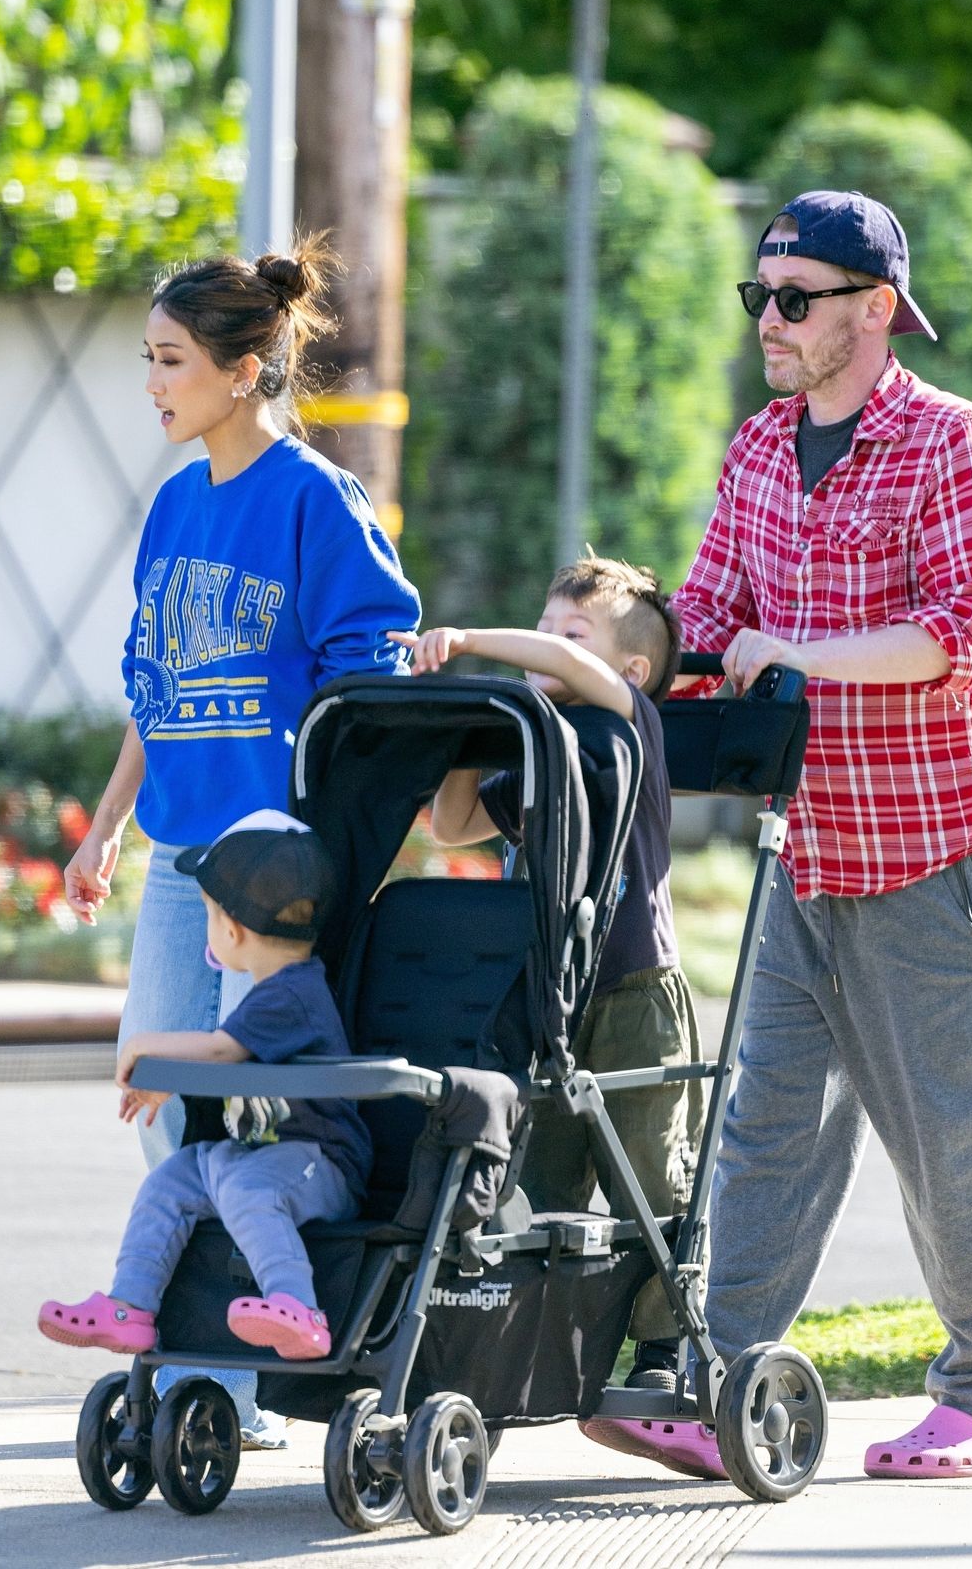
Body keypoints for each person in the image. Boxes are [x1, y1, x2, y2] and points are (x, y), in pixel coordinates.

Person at [606, 188, 972, 1483]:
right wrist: (588, 659)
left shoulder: (949, 443)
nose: (769, 321)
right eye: (759, 297)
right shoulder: (755, 448)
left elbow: (959, 635)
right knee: (766, 1127)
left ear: (875, 310)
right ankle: (718, 1377)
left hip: (933, 850)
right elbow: (704, 618)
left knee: (947, 1140)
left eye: (793, 299)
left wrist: (799, 652)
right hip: (808, 852)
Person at [62, 236, 418, 1444]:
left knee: (247, 1109)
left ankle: (238, 1368)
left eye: (169, 360)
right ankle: (213, 1341)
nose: (154, 383)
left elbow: (371, 685)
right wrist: (105, 830)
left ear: (244, 366)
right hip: (179, 859)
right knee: (161, 1087)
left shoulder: (317, 501)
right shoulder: (173, 504)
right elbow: (153, 695)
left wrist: (311, 854)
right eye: (150, 361)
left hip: (269, 874)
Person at [390, 555, 705, 1403]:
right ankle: (538, 1346)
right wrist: (470, 736)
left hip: (637, 991)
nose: (546, 648)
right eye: (544, 627)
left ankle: (665, 1346)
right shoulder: (537, 753)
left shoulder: (625, 726)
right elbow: (453, 824)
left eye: (569, 633)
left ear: (627, 670)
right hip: (551, 998)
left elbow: (569, 672)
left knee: (650, 1176)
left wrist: (468, 643)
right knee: (541, 1181)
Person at [41, 812, 371, 1364]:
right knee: (170, 1182)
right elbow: (225, 1057)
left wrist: (145, 1049)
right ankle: (132, 1308)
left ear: (233, 930)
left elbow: (220, 1050)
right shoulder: (276, 992)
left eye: (209, 916)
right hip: (255, 1155)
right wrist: (169, 1082)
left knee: (247, 1189)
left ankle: (298, 1307)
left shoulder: (292, 994)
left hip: (321, 1168)